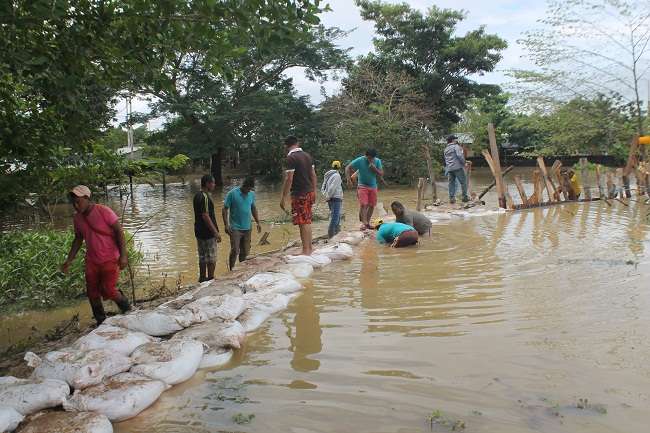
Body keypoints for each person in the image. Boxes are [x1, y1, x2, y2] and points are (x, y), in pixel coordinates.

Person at [61, 185, 131, 325]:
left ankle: (128, 310)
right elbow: (78, 238)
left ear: (87, 198)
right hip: (92, 260)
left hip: (110, 258)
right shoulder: (78, 219)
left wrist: (123, 256)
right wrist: (69, 260)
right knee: (92, 292)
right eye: (73, 202)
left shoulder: (104, 211)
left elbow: (119, 232)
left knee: (108, 290)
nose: (75, 205)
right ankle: (101, 321)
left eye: (78, 201)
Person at [280, 136, 317, 256]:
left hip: (299, 194)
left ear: (286, 146)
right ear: (297, 143)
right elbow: (313, 175)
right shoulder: (307, 156)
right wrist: (314, 191)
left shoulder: (291, 158)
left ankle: (306, 250)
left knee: (303, 222)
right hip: (309, 192)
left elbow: (289, 179)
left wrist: (283, 197)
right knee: (306, 221)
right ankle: (309, 248)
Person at [222, 176, 261, 271]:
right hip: (235, 228)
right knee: (235, 250)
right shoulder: (232, 194)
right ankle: (231, 270)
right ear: (244, 186)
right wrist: (226, 225)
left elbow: (253, 208)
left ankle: (242, 270)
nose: (249, 191)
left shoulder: (251, 194)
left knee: (245, 252)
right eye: (248, 188)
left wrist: (258, 222)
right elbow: (224, 209)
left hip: (247, 227)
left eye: (251, 189)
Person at [345, 148, 384, 229]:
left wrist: (374, 169)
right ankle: (364, 223)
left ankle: (367, 223)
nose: (370, 159)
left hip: (373, 186)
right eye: (368, 158)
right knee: (363, 204)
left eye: (372, 158)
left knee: (372, 205)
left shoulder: (377, 161)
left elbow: (381, 173)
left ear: (374, 157)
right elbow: (347, 168)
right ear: (365, 156)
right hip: (362, 185)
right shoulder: (360, 160)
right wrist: (348, 180)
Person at [193, 174, 221, 282]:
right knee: (211, 257)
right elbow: (205, 215)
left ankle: (202, 278)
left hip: (199, 232)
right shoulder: (204, 197)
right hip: (208, 233)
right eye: (213, 183)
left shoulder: (196, 196)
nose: (214, 185)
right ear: (207, 184)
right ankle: (210, 279)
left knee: (202, 256)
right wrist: (215, 232)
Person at [321, 160, 344, 238]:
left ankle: (337, 235)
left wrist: (326, 196)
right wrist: (328, 196)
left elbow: (323, 188)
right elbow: (332, 188)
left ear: (332, 166)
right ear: (339, 167)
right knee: (335, 218)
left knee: (336, 217)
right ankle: (331, 236)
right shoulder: (337, 176)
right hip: (335, 198)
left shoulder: (327, 175)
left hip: (331, 199)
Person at [444, 135, 469, 203]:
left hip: (449, 168)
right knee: (463, 182)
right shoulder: (456, 146)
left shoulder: (446, 149)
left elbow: (446, 159)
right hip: (457, 167)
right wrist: (464, 163)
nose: (456, 140)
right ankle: (464, 197)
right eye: (455, 139)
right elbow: (459, 156)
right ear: (452, 140)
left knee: (451, 183)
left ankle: (452, 198)